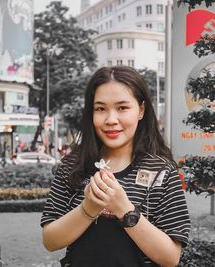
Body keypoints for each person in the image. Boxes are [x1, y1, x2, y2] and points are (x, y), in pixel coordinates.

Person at [41, 66, 191, 266]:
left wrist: (124, 208)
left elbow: (170, 257)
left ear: (141, 110)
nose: (111, 120)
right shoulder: (72, 167)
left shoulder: (161, 171)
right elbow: (50, 241)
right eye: (101, 109)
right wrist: (88, 208)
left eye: (122, 108)